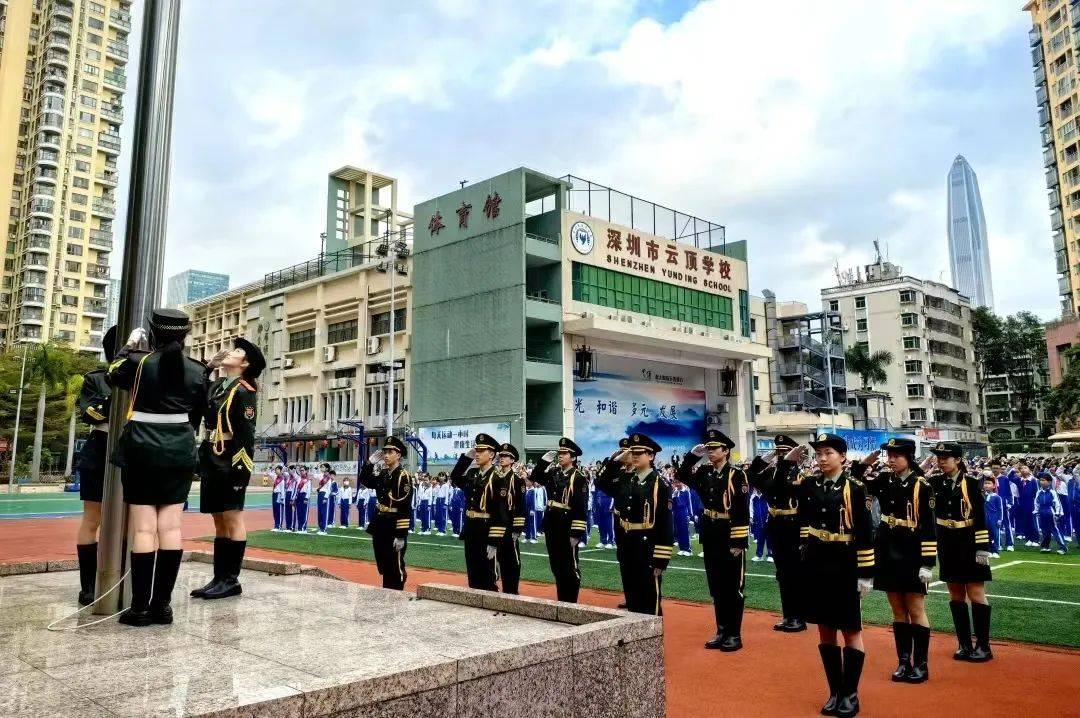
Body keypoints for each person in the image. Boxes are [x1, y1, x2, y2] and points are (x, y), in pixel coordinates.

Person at [107, 309, 207, 626]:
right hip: (179, 448)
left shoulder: (138, 363)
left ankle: (139, 609)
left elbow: (112, 373)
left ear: (152, 332)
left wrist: (129, 345)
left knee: (144, 529)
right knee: (172, 528)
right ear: (185, 334)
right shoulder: (198, 370)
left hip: (142, 447)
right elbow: (198, 415)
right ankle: (163, 607)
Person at [777, 434, 872, 718]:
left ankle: (850, 693)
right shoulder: (809, 484)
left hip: (844, 563)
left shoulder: (854, 487)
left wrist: (865, 573)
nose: (821, 457)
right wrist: (786, 463)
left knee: (850, 629)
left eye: (828, 452)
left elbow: (865, 532)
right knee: (825, 628)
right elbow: (779, 490)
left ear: (842, 456)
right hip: (817, 562)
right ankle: (835, 691)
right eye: (818, 453)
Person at [852, 438, 936, 684]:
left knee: (916, 608)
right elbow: (856, 483)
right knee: (898, 609)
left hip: (911, 550)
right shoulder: (884, 479)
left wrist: (927, 563)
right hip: (887, 548)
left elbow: (929, 527)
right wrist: (865, 461)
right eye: (888, 455)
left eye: (896, 455)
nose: (891, 459)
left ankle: (920, 665)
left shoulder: (921, 485)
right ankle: (903, 662)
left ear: (909, 457)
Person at [191, 337, 264, 601]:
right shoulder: (221, 386)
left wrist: (240, 473)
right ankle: (218, 578)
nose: (229, 352)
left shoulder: (244, 391)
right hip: (211, 456)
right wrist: (208, 367)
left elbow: (246, 436)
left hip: (230, 459)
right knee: (218, 519)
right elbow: (197, 392)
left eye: (236, 351)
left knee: (233, 519)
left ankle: (231, 580)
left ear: (244, 364)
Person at [677, 430, 750, 651]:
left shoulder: (736, 475)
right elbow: (682, 475)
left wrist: (738, 541)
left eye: (713, 448)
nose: (709, 452)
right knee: (717, 585)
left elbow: (741, 509)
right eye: (707, 448)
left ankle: (734, 634)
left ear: (725, 451)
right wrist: (692, 456)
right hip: (710, 532)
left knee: (732, 586)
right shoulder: (705, 472)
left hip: (729, 533)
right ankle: (721, 630)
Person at [927, 441, 993, 662]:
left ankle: (983, 646)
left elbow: (981, 517)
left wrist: (983, 548)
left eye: (946, 458)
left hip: (969, 542)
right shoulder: (935, 482)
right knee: (955, 594)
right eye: (938, 457)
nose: (941, 461)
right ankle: (964, 644)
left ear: (957, 460)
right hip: (948, 543)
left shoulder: (972, 483)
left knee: (976, 594)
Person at [596, 433, 672, 616]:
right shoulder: (626, 479)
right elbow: (601, 482)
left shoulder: (659, 484)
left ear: (651, 456)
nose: (635, 456)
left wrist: (661, 558)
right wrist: (617, 461)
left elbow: (665, 524)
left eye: (640, 452)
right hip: (627, 545)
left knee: (649, 600)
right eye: (633, 452)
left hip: (647, 548)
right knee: (632, 598)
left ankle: (651, 642)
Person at [72, 326, 117, 605]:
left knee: (136, 520)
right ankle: (89, 585)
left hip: (136, 448)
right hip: (100, 447)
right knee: (93, 518)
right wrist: (117, 391)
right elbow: (89, 414)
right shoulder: (97, 379)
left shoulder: (148, 378)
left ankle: (125, 580)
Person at [748, 435, 805, 632]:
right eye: (779, 451)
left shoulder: (801, 475)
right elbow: (751, 476)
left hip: (794, 526)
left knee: (795, 573)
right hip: (775, 523)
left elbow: (802, 504)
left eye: (785, 452)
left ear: (795, 454)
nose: (781, 455)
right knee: (782, 573)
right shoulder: (771, 472)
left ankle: (798, 617)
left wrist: (804, 536)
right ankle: (788, 615)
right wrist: (764, 458)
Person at [530, 437, 590, 603]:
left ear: (573, 457)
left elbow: (581, 507)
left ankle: (571, 602)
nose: (561, 455)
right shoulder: (554, 473)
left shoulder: (578, 477)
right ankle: (562, 600)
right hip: (552, 523)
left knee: (569, 566)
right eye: (560, 452)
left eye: (565, 453)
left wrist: (576, 532)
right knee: (556, 565)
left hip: (567, 525)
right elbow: (535, 476)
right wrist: (543, 461)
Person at [451, 433, 504, 591]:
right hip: (471, 528)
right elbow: (455, 477)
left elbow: (501, 512)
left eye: (481, 450)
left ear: (492, 454)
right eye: (476, 450)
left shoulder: (498, 478)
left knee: (488, 576)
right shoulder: (472, 474)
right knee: (473, 575)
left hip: (487, 530)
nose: (477, 453)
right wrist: (466, 459)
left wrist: (494, 541)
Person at [358, 436, 413, 590]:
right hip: (380, 523)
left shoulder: (403, 476)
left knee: (395, 566)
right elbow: (366, 481)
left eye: (390, 452)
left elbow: (404, 507)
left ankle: (396, 595)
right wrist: (370, 463)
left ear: (399, 455)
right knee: (383, 564)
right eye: (385, 452)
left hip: (393, 525)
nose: (386, 455)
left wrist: (401, 535)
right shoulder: (384, 473)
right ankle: (387, 595)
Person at [493, 442, 527, 594]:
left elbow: (521, 506)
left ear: (512, 460)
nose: (502, 458)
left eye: (506, 456)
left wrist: (517, 529)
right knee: (494, 560)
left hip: (508, 527)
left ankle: (512, 592)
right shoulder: (494, 477)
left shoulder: (517, 480)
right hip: (494, 526)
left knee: (511, 561)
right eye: (501, 455)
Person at [1034, 475, 1068, 554]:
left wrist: (1057, 514)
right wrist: (1036, 511)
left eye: (1043, 480)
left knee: (1055, 530)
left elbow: (1057, 504)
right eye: (1040, 480)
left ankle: (1063, 547)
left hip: (1050, 512)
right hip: (1041, 512)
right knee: (1044, 530)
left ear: (1049, 482)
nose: (1041, 482)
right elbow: (1036, 502)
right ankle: (1045, 546)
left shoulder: (1052, 492)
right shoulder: (1039, 492)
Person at [672, 480, 694, 556]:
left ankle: (688, 549)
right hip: (676, 513)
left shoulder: (686, 492)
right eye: (676, 483)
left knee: (685, 531)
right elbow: (672, 503)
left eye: (679, 482)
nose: (677, 484)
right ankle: (682, 548)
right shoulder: (675, 492)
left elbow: (689, 503)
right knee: (679, 531)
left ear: (682, 483)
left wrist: (690, 515)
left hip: (684, 513)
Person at [983, 476, 1003, 557]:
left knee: (994, 534)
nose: (987, 485)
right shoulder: (982, 496)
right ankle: (989, 550)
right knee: (985, 534)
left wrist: (999, 519)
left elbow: (1000, 509)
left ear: (994, 486)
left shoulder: (997, 497)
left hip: (993, 517)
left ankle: (995, 551)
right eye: (985, 483)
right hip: (984, 517)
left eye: (989, 483)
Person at [295, 466, 311, 532]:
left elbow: (309, 490)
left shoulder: (308, 480)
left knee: (304, 512)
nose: (301, 472)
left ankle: (303, 527)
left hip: (304, 496)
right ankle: (299, 527)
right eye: (300, 470)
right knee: (299, 512)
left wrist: (306, 498)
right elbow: (296, 489)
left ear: (306, 471)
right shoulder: (298, 479)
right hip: (299, 496)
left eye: (303, 470)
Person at [316, 468, 331, 535]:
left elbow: (329, 489)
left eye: (326, 472)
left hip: (325, 495)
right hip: (320, 494)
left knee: (324, 512)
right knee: (319, 512)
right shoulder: (322, 477)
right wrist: (317, 468)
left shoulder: (329, 479)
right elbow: (315, 475)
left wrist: (325, 497)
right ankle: (320, 527)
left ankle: (324, 529)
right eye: (324, 472)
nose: (325, 473)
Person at [271, 467, 286, 531]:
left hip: (279, 494)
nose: (276, 471)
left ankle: (279, 525)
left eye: (277, 470)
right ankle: (276, 525)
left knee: (278, 510)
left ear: (280, 470)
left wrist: (282, 498)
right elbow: (269, 473)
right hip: (274, 494)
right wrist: (271, 467)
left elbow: (282, 489)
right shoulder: (275, 477)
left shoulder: (282, 479)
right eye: (276, 469)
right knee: (275, 510)